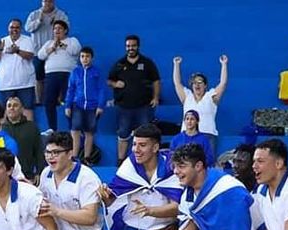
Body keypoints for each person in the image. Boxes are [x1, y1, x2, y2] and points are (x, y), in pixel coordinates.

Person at [107, 35, 161, 164]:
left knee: (146, 135)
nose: (130, 48)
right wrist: (115, 84)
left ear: (138, 46)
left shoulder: (147, 63)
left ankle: (146, 161)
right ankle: (121, 161)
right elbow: (109, 80)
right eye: (128, 46)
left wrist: (156, 97)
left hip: (143, 106)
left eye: (133, 46)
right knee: (123, 133)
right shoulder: (119, 64)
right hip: (124, 106)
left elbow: (156, 81)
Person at [172, 55, 228, 155]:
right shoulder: (187, 97)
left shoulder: (211, 96)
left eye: (200, 82)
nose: (197, 85)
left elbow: (223, 83)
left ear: (205, 85)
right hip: (187, 135)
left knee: (206, 165)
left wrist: (224, 64)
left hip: (207, 135)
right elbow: (177, 83)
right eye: (194, 83)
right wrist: (176, 65)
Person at [36, 20, 80, 133]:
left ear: (65, 30)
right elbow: (40, 56)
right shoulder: (49, 43)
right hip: (51, 75)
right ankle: (52, 128)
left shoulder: (72, 40)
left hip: (68, 75)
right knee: (48, 101)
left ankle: (73, 128)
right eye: (55, 29)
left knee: (70, 101)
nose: (57, 31)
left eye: (59, 28)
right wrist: (51, 48)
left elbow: (75, 51)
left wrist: (61, 44)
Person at [65, 46, 105, 163]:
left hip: (92, 106)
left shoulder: (96, 72)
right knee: (75, 130)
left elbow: (101, 89)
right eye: (82, 56)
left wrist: (100, 106)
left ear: (91, 58)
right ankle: (74, 156)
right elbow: (71, 89)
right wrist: (68, 105)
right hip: (78, 105)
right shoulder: (76, 72)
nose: (85, 59)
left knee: (89, 131)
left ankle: (87, 157)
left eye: (87, 56)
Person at [25, 0, 69, 105]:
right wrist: (39, 21)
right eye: (45, 1)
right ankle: (39, 100)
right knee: (38, 77)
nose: (47, 3)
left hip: (55, 51)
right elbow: (27, 28)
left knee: (55, 76)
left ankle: (58, 101)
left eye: (50, 1)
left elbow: (67, 28)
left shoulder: (61, 14)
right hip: (38, 52)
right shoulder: (34, 14)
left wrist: (56, 24)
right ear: (42, 2)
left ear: (53, 2)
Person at [0, 18, 36, 121]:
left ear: (21, 29)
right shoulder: (2, 41)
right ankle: (7, 134)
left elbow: (30, 56)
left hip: (25, 83)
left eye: (17, 27)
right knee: (7, 110)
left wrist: (17, 51)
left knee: (28, 109)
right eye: (12, 27)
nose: (14, 30)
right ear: (8, 28)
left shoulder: (27, 40)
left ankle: (29, 133)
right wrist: (1, 50)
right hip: (6, 84)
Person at [2, 96, 44, 179]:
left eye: (15, 105)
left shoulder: (32, 127)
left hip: (27, 175)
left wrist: (39, 172)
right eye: (9, 106)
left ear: (22, 109)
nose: (12, 108)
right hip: (4, 176)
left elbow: (39, 151)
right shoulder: (1, 129)